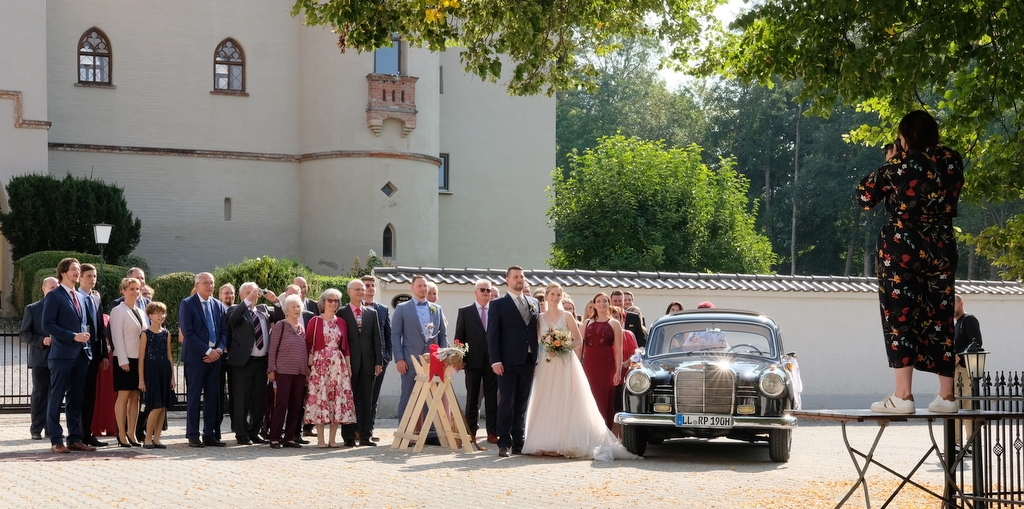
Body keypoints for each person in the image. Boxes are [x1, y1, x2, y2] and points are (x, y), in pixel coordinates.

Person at [857, 110, 964, 415]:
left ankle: (903, 396)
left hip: (901, 245)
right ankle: (946, 397)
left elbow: (865, 196)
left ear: (906, 136)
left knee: (899, 314)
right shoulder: (952, 159)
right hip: (941, 244)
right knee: (940, 314)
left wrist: (891, 161)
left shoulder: (900, 163)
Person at [523, 283, 636, 460]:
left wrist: (561, 345)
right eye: (552, 294)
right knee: (546, 398)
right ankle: (544, 442)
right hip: (546, 362)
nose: (555, 298)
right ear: (546, 295)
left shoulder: (567, 316)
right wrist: (543, 354)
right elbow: (537, 342)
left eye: (558, 295)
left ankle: (566, 441)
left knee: (565, 399)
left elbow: (578, 340)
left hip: (564, 361)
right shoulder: (539, 318)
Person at [42, 258, 97, 453]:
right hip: (62, 355)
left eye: (78, 269)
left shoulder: (81, 297)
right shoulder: (54, 296)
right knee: (56, 397)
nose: (77, 272)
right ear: (63, 272)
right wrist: (73, 336)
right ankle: (56, 440)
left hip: (81, 355)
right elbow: (47, 324)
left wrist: (85, 338)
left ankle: (75, 438)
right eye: (74, 269)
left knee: (76, 398)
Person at [486, 266, 538, 457]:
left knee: (522, 402)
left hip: (528, 359)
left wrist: (538, 357)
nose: (520, 279)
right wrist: (495, 360)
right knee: (506, 401)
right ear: (507, 280)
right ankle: (504, 442)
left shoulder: (534, 302)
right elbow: (492, 335)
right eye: (516, 277)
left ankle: (519, 441)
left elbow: (534, 331)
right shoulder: (498, 304)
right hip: (506, 361)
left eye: (522, 276)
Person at [179, 272, 229, 447]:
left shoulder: (218, 305)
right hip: (196, 358)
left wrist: (219, 350)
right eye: (205, 283)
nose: (209, 286)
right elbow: (188, 332)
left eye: (212, 283)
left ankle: (210, 434)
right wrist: (208, 350)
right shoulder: (187, 304)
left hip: (215, 358)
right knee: (194, 397)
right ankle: (193, 434)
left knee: (213, 397)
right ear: (197, 285)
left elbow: (224, 331)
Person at [392, 275, 448, 426]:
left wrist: (442, 356)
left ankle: (428, 433)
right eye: (420, 286)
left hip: (432, 361)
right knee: (408, 396)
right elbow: (396, 334)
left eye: (425, 286)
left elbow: (443, 334)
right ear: (412, 287)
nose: (423, 289)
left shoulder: (437, 309)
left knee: (430, 397)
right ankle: (404, 431)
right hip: (410, 361)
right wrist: (399, 359)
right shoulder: (402, 308)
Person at [304, 288, 356, 448]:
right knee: (320, 399)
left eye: (336, 301)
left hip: (338, 365)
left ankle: (332, 439)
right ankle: (320, 439)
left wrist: (348, 366)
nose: (333, 303)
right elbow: (307, 344)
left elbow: (345, 346)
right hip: (320, 365)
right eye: (330, 300)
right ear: (323, 302)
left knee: (336, 400)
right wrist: (307, 366)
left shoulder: (341, 322)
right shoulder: (315, 321)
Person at [336, 281, 383, 447]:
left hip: (368, 363)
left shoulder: (372, 313)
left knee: (367, 400)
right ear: (349, 291)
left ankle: (365, 436)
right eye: (357, 289)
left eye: (363, 289)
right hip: (349, 364)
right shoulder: (341, 312)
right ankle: (348, 436)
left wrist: (378, 361)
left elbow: (377, 339)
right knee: (349, 400)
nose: (361, 292)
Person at [226, 282, 271, 445]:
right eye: (248, 292)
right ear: (241, 296)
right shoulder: (235, 309)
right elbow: (234, 318)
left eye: (254, 292)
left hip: (261, 362)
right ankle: (241, 433)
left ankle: (254, 431)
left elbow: (281, 316)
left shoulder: (263, 310)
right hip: (243, 363)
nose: (252, 294)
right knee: (241, 399)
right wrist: (247, 301)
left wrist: (276, 301)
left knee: (259, 399)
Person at [455, 279, 498, 443]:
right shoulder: (465, 311)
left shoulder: (496, 310)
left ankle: (492, 432)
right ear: (475, 292)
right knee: (472, 398)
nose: (486, 293)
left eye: (488, 290)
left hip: (492, 361)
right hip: (472, 361)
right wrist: (460, 358)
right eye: (482, 290)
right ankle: (470, 431)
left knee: (492, 398)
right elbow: (459, 337)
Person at [110, 277, 148, 447]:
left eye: (137, 289)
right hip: (124, 359)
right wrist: (122, 360)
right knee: (124, 395)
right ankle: (121, 433)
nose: (135, 292)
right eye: (131, 289)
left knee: (136, 396)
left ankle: (132, 433)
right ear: (123, 291)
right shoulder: (118, 310)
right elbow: (117, 337)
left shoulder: (141, 311)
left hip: (139, 359)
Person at [268, 295, 309, 449]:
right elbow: (272, 349)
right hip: (283, 371)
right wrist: (271, 369)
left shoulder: (302, 328)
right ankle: (274, 438)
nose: (297, 309)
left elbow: (304, 351)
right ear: (286, 310)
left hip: (299, 372)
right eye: (293, 307)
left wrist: (305, 372)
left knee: (296, 406)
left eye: (299, 306)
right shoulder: (280, 325)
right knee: (281, 404)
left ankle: (289, 438)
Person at [21, 277, 59, 440]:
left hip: (59, 358)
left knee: (55, 395)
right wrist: (41, 340)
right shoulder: (33, 309)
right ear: (43, 289)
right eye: (51, 288)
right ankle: (36, 429)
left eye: (56, 287)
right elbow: (24, 333)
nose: (54, 290)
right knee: (40, 394)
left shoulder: (62, 308)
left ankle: (51, 429)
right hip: (41, 358)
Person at [78, 263, 111, 447]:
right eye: (89, 276)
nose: (92, 279)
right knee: (79, 395)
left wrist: (104, 354)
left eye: (94, 276)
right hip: (80, 354)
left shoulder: (96, 299)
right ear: (80, 278)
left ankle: (87, 433)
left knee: (90, 395)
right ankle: (77, 434)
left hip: (95, 354)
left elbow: (101, 330)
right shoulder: (76, 298)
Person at [581, 292, 623, 429]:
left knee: (605, 398)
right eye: (598, 301)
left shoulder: (615, 323)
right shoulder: (586, 323)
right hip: (589, 366)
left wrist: (618, 371)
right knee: (590, 397)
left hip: (607, 366)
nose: (602, 304)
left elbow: (618, 349)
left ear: (609, 304)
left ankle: (605, 433)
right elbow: (579, 347)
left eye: (604, 301)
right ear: (594, 305)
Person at [137, 301, 174, 449]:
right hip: (151, 371)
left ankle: (157, 438)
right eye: (157, 313)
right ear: (150, 315)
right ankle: (147, 438)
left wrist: (172, 377)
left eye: (163, 313)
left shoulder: (166, 333)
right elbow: (141, 358)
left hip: (164, 371)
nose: (161, 316)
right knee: (155, 406)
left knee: (163, 406)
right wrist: (141, 379)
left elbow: (170, 356)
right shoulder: (146, 334)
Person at [361, 274, 392, 443]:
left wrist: (387, 356)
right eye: (367, 285)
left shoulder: (382, 309)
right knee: (359, 396)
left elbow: (388, 334)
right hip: (360, 360)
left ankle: (369, 430)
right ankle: (358, 429)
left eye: (373, 285)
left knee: (374, 396)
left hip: (380, 360)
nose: (370, 288)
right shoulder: (353, 308)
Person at [954, 294, 983, 440]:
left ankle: (968, 440)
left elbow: (977, 343)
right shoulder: (957, 323)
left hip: (965, 369)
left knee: (964, 404)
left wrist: (959, 356)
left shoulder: (969, 320)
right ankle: (959, 441)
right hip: (957, 370)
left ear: (961, 303)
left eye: (953, 303)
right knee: (958, 404)